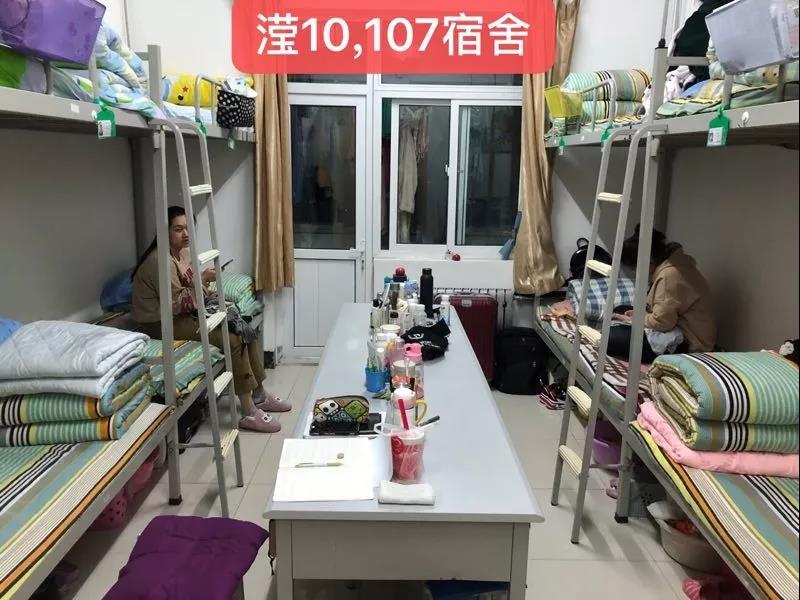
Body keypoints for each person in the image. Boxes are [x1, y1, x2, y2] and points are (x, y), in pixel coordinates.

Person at [131, 206, 290, 433]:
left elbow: (188, 289)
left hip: (179, 314)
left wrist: (204, 285)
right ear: (164, 232)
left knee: (243, 326)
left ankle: (260, 395)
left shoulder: (183, 252)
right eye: (178, 229)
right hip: (160, 324)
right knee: (232, 338)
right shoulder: (160, 261)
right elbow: (179, 303)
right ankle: (248, 411)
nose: (186, 234)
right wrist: (203, 281)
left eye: (188, 228)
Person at [607, 226, 717, 363]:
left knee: (610, 337)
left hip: (688, 342)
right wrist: (638, 316)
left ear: (648, 260)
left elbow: (662, 322)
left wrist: (635, 319)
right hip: (677, 327)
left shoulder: (669, 275)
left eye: (635, 268)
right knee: (621, 309)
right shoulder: (676, 265)